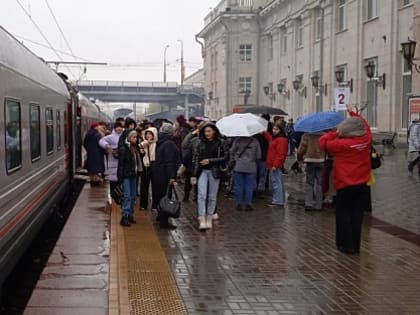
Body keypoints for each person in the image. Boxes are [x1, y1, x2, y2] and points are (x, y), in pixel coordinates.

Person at [318, 107, 372, 254]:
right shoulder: (366, 140)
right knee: (357, 215)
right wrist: (353, 113)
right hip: (362, 183)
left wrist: (335, 133)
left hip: (345, 183)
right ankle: (355, 245)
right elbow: (365, 125)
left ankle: (345, 245)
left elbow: (322, 143)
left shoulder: (341, 145)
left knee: (343, 214)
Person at [191, 123, 228, 230]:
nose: (207, 133)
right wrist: (194, 174)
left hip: (215, 171)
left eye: (209, 131)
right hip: (202, 171)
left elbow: (226, 157)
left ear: (214, 131)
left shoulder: (221, 142)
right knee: (201, 195)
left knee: (212, 196)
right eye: (205, 131)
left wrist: (210, 161)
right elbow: (196, 158)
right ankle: (202, 218)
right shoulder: (200, 143)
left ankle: (209, 218)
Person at [151, 123, 181, 230]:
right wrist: (172, 176)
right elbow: (169, 161)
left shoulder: (159, 142)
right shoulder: (169, 144)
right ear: (171, 132)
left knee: (159, 196)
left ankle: (160, 217)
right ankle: (164, 221)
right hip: (165, 174)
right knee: (165, 197)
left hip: (157, 173)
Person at [117, 130, 142, 226]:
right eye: (133, 137)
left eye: (136, 137)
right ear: (128, 138)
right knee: (127, 196)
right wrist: (120, 178)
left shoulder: (135, 148)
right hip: (126, 175)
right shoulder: (124, 149)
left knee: (133, 196)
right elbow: (121, 164)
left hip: (133, 174)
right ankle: (124, 216)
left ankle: (130, 215)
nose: (135, 139)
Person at [230, 136, 261, 211]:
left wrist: (236, 158)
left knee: (239, 185)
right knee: (249, 186)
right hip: (251, 166)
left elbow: (231, 152)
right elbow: (259, 155)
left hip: (239, 165)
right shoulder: (255, 141)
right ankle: (248, 204)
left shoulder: (237, 140)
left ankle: (239, 204)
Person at [297, 132, 325, 211]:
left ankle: (308, 204)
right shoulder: (324, 135)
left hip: (310, 160)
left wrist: (299, 159)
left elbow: (301, 149)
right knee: (320, 184)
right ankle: (318, 205)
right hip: (321, 160)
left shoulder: (306, 135)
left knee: (309, 183)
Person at [99, 121, 124, 203]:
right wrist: (107, 146)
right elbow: (101, 141)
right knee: (113, 182)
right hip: (113, 162)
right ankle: (114, 197)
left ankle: (119, 197)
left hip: (122, 162)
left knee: (120, 181)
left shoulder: (124, 136)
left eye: (120, 127)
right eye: (117, 127)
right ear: (115, 128)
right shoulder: (110, 137)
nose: (119, 128)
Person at [265, 123, 288, 207]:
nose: (274, 131)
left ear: (280, 130)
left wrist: (276, 165)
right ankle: (280, 199)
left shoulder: (281, 140)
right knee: (277, 182)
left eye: (276, 129)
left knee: (276, 183)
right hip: (273, 164)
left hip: (275, 165)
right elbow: (270, 139)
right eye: (273, 129)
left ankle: (277, 201)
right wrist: (265, 133)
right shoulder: (276, 139)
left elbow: (281, 154)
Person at [139, 126, 158, 210]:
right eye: (147, 134)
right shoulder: (144, 143)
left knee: (155, 187)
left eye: (150, 134)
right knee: (144, 187)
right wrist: (146, 142)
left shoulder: (156, 144)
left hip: (154, 165)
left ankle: (155, 205)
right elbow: (139, 148)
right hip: (145, 166)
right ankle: (143, 205)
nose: (148, 136)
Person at [83, 121, 106, 186]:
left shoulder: (88, 133)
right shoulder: (98, 134)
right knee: (96, 171)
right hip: (98, 154)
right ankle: (96, 182)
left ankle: (92, 181)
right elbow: (101, 144)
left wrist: (89, 150)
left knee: (92, 171)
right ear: (96, 127)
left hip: (90, 154)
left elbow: (85, 143)